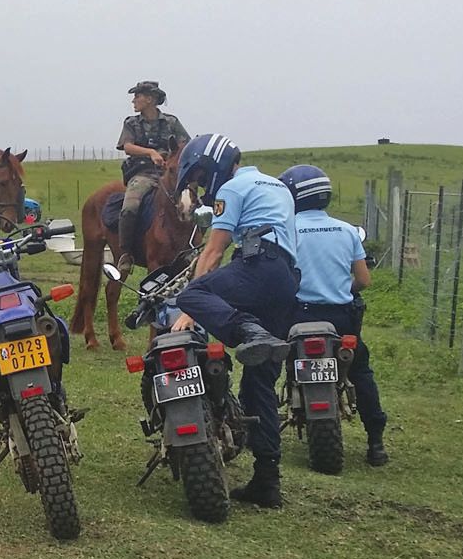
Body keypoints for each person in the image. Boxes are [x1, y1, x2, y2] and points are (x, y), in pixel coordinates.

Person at [171, 134, 300, 508]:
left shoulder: (233, 187)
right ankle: (267, 482)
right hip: (287, 279)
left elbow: (213, 250)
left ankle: (248, 330)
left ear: (213, 164)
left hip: (258, 266)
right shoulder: (276, 185)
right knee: (259, 385)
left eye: (197, 175)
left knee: (193, 294)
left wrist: (189, 310)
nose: (198, 184)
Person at [282, 164, 390, 466]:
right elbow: (364, 281)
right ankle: (376, 441)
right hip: (340, 321)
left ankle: (256, 430)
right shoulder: (346, 230)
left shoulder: (286, 231)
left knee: (264, 364)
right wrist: (342, 288)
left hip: (297, 319)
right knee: (361, 371)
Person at [115, 81, 190, 274]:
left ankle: (192, 247)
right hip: (143, 175)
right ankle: (126, 253)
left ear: (150, 99)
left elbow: (186, 144)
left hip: (170, 174)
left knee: (193, 204)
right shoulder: (131, 123)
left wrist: (173, 159)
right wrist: (150, 153)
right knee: (129, 208)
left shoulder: (172, 122)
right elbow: (127, 146)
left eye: (137, 96)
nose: (134, 100)